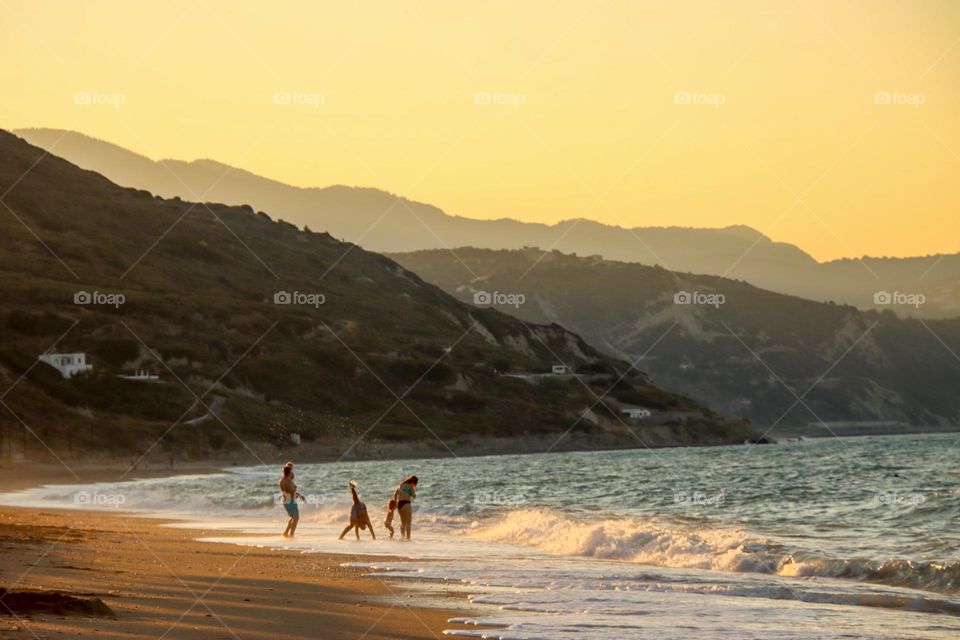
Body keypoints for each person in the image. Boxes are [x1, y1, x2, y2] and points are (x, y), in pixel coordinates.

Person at [279, 461, 305, 538]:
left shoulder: (282, 480)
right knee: (296, 518)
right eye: (291, 472)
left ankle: (286, 533)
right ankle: (291, 534)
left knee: (293, 518)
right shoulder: (288, 481)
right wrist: (299, 495)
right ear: (289, 473)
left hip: (286, 501)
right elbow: (292, 491)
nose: (293, 473)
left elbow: (288, 491)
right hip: (290, 501)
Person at [393, 475, 418, 540]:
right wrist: (413, 492)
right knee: (408, 523)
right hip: (406, 504)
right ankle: (408, 539)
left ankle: (402, 537)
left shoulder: (401, 484)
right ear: (413, 482)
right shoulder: (410, 486)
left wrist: (395, 503)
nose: (415, 485)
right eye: (415, 483)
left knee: (403, 523)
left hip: (399, 505)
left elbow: (395, 494)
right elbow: (414, 496)